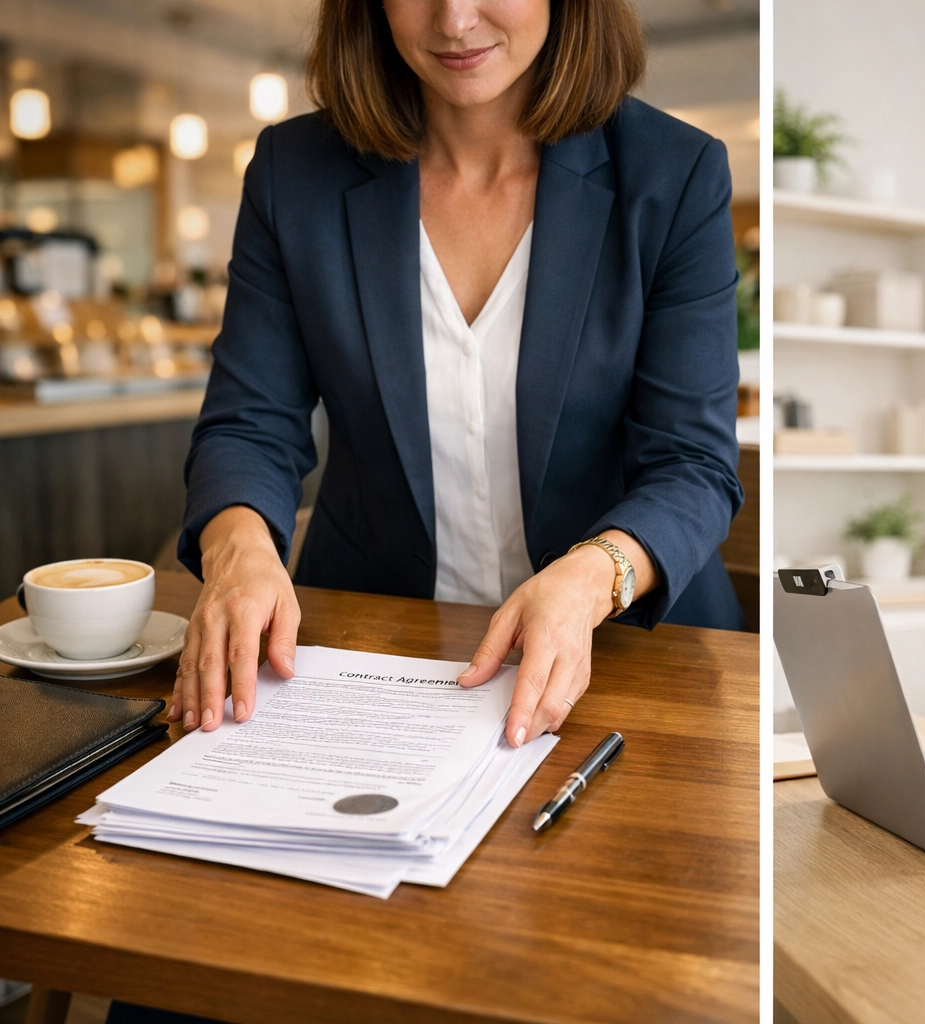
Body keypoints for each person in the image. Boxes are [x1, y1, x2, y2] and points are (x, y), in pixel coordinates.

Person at [168, 0, 743, 749]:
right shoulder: (293, 172)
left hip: (633, 657)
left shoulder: (676, 174)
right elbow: (252, 422)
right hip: (375, 653)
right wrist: (239, 553)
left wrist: (590, 577)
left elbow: (693, 463)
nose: (455, 18)